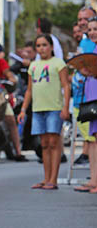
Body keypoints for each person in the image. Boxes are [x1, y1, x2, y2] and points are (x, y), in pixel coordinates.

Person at [18, 34, 70, 189]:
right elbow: (29, 90)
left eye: (45, 45)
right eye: (39, 46)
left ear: (52, 47)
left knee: (54, 142)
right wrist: (23, 110)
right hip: (38, 109)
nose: (42, 49)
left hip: (54, 108)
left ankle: (53, 180)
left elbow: (66, 86)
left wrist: (65, 107)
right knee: (44, 144)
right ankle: (46, 178)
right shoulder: (33, 66)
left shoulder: (58, 63)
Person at [74, 19, 97, 192]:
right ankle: (93, 180)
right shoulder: (92, 48)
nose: (92, 32)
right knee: (93, 142)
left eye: (96, 29)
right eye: (90, 29)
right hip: (91, 99)